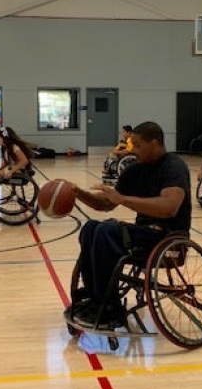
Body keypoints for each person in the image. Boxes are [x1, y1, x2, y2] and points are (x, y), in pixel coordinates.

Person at [65, 121, 191, 327]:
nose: (133, 150)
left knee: (108, 230)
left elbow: (170, 207)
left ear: (156, 142)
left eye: (138, 145)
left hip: (168, 237)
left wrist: (122, 199)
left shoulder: (174, 166)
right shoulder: (134, 170)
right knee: (90, 228)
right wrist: (79, 193)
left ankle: (110, 307)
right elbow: (106, 203)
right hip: (144, 234)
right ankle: (94, 296)